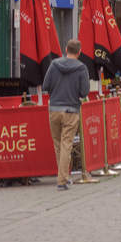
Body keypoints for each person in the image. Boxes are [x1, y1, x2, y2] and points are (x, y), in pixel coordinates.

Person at [41, 38, 90, 191]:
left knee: (58, 145)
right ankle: (62, 180)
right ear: (79, 52)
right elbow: (84, 92)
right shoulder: (82, 68)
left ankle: (64, 177)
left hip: (54, 109)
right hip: (71, 110)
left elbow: (46, 86)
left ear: (66, 49)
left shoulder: (54, 64)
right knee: (66, 144)